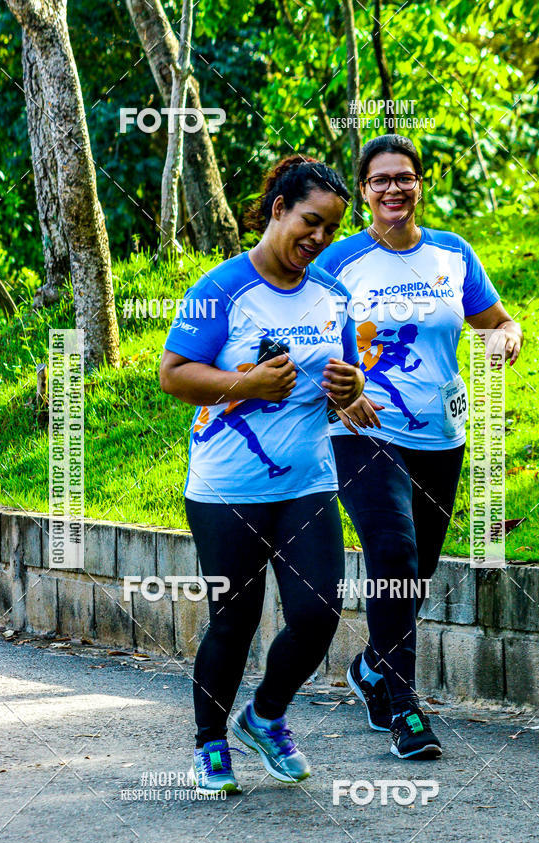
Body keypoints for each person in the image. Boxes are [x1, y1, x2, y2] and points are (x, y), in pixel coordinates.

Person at [160, 156, 365, 794]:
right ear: (278, 208)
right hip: (227, 488)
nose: (320, 240)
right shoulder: (222, 288)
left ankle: (266, 715)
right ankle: (210, 743)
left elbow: (348, 380)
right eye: (310, 222)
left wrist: (349, 386)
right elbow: (173, 374)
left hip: (307, 481)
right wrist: (246, 382)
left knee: (319, 611)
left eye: (331, 229)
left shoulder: (332, 293)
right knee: (234, 618)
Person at [316, 135, 523, 760]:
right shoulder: (338, 263)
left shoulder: (453, 255)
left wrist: (507, 337)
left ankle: (374, 668)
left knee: (414, 573)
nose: (393, 190)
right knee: (393, 548)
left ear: (419, 185)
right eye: (380, 181)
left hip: (440, 430)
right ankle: (404, 706)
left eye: (404, 178)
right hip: (363, 427)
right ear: (363, 193)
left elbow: (496, 319)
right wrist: (338, 390)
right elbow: (304, 334)